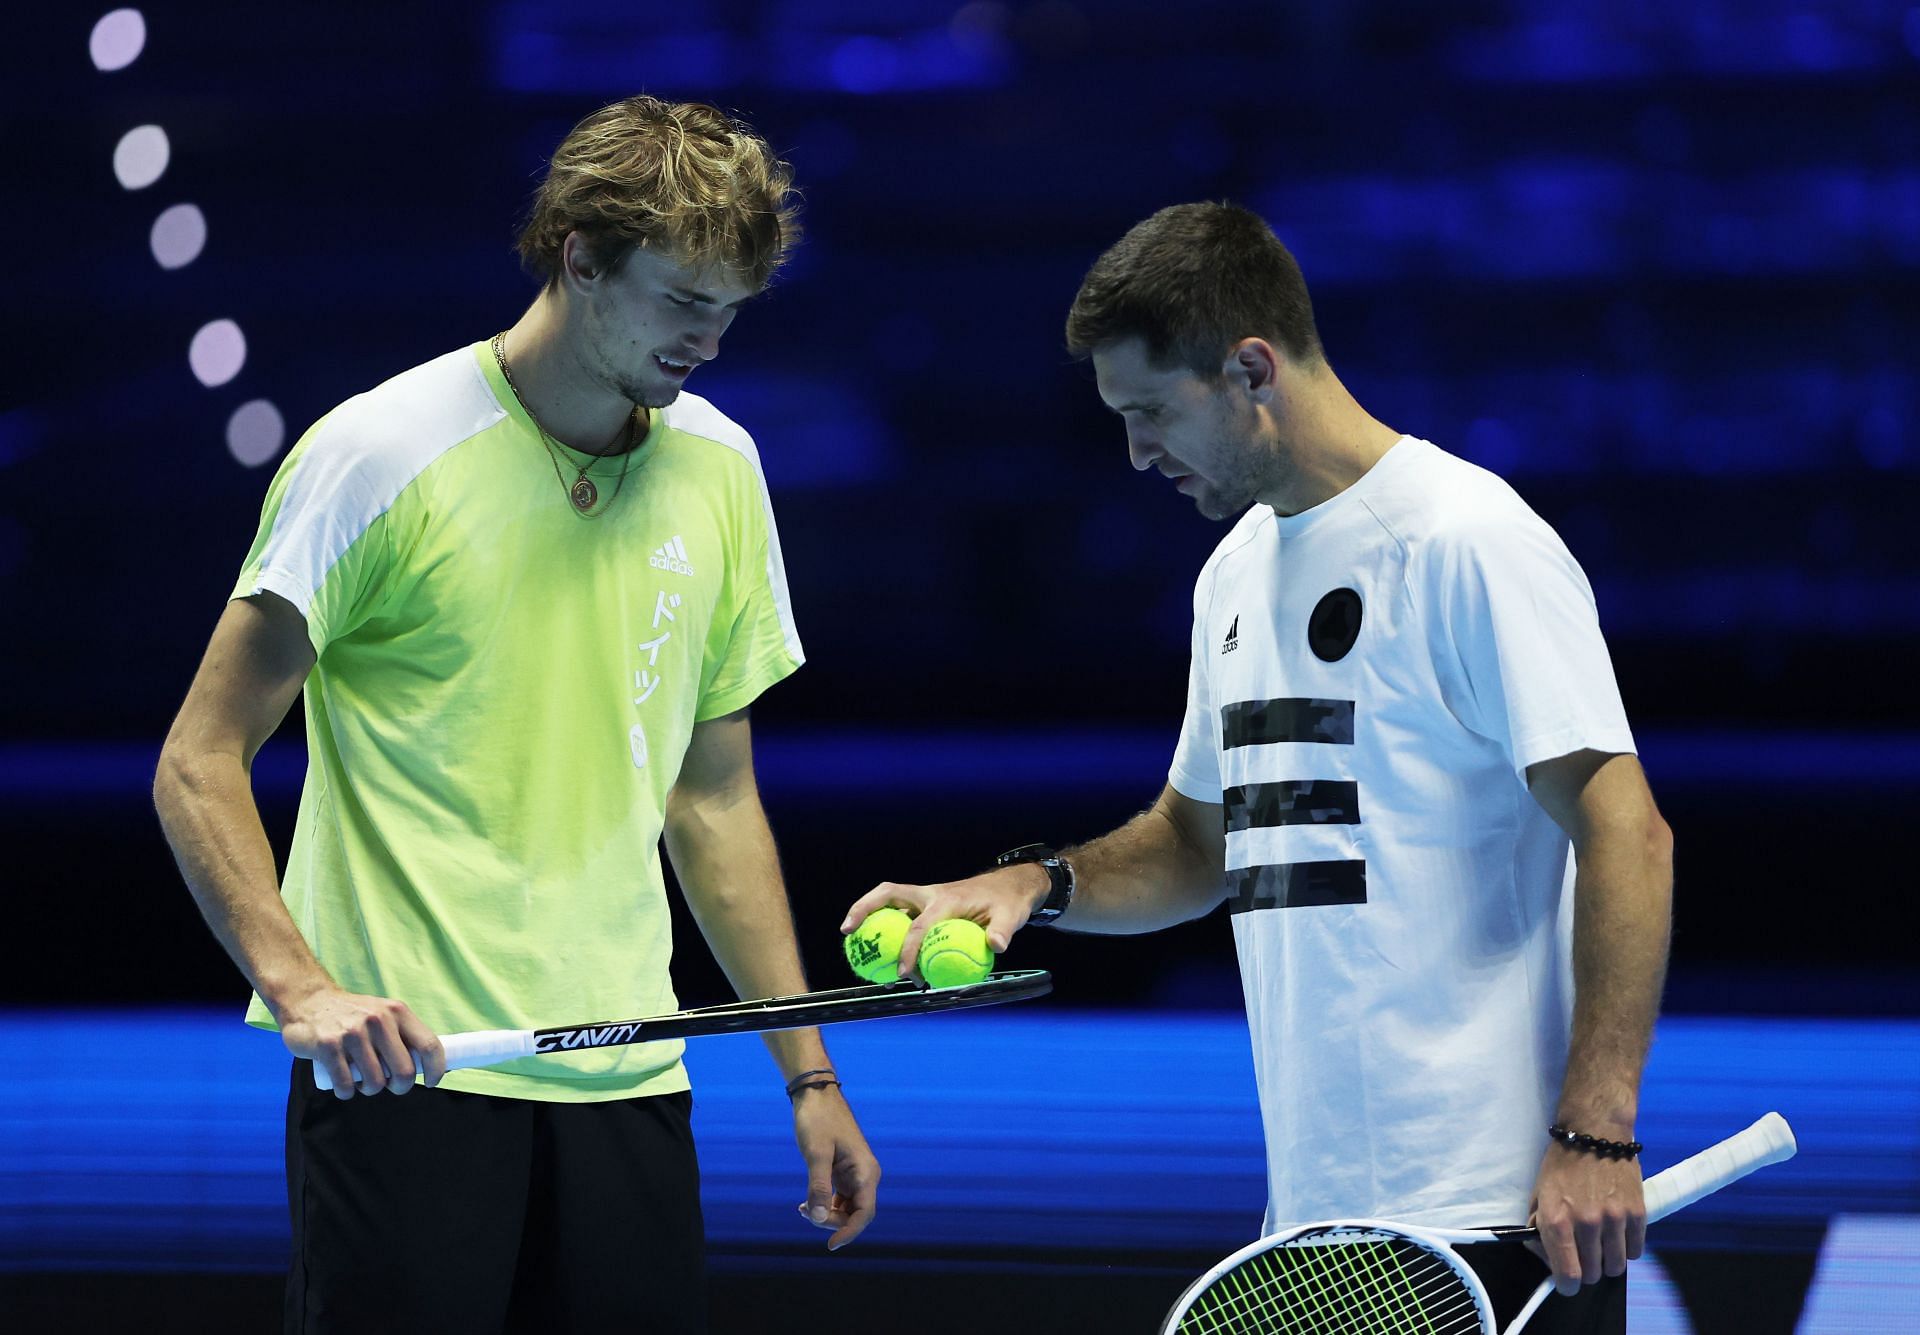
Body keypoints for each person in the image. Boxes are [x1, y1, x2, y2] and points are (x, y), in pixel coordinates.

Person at [841, 201, 1671, 1333]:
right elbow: (1199, 844)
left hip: (1505, 1222)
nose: (1136, 455)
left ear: (1249, 369)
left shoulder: (1469, 541)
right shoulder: (1233, 574)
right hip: (1319, 1231)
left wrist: (1595, 1132)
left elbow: (1628, 832)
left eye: (1150, 414)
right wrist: (1033, 886)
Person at [153, 95, 879, 1333]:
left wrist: (809, 1074)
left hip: (632, 1072)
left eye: (730, 310)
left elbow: (713, 803)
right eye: (681, 301)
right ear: (579, 258)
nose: (708, 341)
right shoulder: (378, 452)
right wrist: (303, 989)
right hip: (411, 1072)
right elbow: (198, 758)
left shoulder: (722, 468)